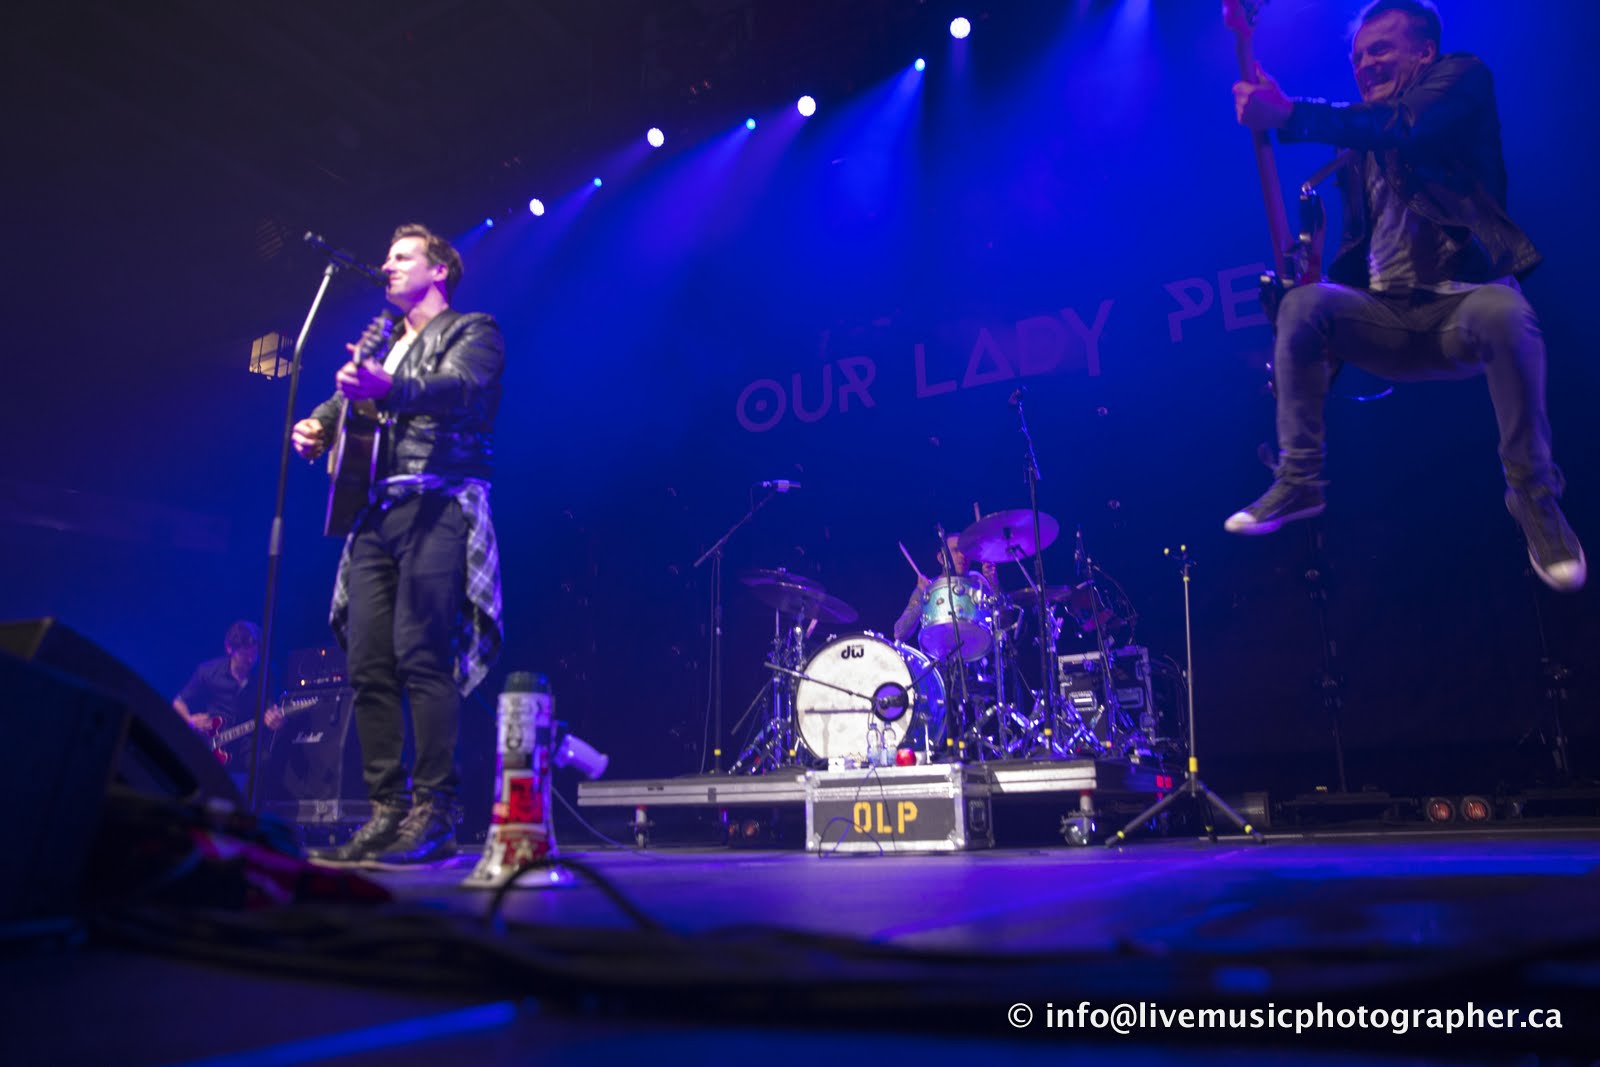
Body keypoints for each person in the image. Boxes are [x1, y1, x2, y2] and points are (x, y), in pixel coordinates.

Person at [1226, 0, 1585, 593]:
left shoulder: (1462, 80)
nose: (1365, 65)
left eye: (1381, 50)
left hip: (1462, 306)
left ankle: (1535, 498)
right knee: (1301, 306)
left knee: (1506, 311)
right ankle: (1300, 480)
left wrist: (1288, 114)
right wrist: (1308, 344)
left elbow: (1406, 124)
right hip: (1388, 318)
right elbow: (1356, 241)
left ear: (1425, 53)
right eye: (1358, 57)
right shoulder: (1358, 148)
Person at [291, 223, 505, 866]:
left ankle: (435, 810)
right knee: (366, 665)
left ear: (439, 269)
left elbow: (461, 388)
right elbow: (343, 403)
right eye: (386, 256)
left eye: (402, 256)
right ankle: (386, 809)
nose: (388, 265)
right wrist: (316, 425)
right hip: (374, 512)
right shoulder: (383, 341)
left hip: (436, 503)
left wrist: (392, 389)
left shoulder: (472, 330)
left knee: (422, 656)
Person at [172, 620, 284, 755]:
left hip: (249, 748)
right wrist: (190, 721)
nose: (251, 660)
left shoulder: (268, 673)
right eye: (244, 655)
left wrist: (276, 719)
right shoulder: (208, 672)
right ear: (229, 649)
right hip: (213, 746)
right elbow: (178, 701)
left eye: (254, 654)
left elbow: (272, 706)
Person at [892, 533, 999, 648]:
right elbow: (899, 633)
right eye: (956, 551)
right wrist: (926, 598)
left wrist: (993, 582)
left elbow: (1001, 619)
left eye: (965, 551)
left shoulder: (976, 581)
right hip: (939, 653)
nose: (962, 555)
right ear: (941, 558)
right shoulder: (928, 587)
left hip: (974, 650)